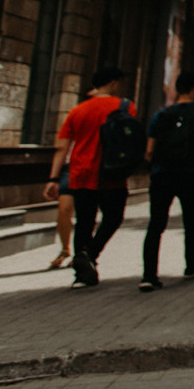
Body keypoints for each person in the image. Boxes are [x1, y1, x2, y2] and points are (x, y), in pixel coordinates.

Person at [42, 67, 141, 288]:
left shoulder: (77, 110)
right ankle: (90, 255)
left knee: (84, 222)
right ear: (113, 83)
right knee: (113, 218)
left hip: (81, 174)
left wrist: (53, 178)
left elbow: (61, 148)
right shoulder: (125, 106)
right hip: (111, 174)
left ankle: (81, 272)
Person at [139, 70, 194, 291]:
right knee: (191, 220)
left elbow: (149, 150)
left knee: (156, 224)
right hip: (191, 173)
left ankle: (148, 275)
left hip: (163, 173)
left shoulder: (161, 115)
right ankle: (191, 261)